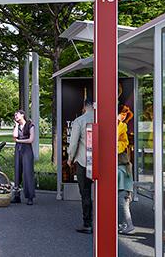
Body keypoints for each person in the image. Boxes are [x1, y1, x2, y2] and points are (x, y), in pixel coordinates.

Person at [66, 99, 95, 234]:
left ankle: (87, 223)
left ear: (84, 107)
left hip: (84, 161)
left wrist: (70, 158)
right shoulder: (103, 118)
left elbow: (73, 143)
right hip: (102, 162)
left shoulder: (79, 121)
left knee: (85, 193)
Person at [10, 110, 36, 205]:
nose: (15, 116)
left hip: (27, 150)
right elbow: (14, 136)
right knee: (17, 172)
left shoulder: (30, 125)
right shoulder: (17, 126)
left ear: (22, 115)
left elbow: (31, 140)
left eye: (16, 114)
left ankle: (30, 197)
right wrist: (16, 125)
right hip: (18, 150)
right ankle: (17, 196)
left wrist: (19, 141)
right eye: (14, 115)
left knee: (27, 173)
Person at [116, 111, 135, 234]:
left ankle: (129, 225)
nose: (123, 117)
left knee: (123, 207)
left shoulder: (119, 170)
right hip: (128, 191)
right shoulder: (128, 167)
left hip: (123, 191)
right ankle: (125, 225)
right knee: (125, 207)